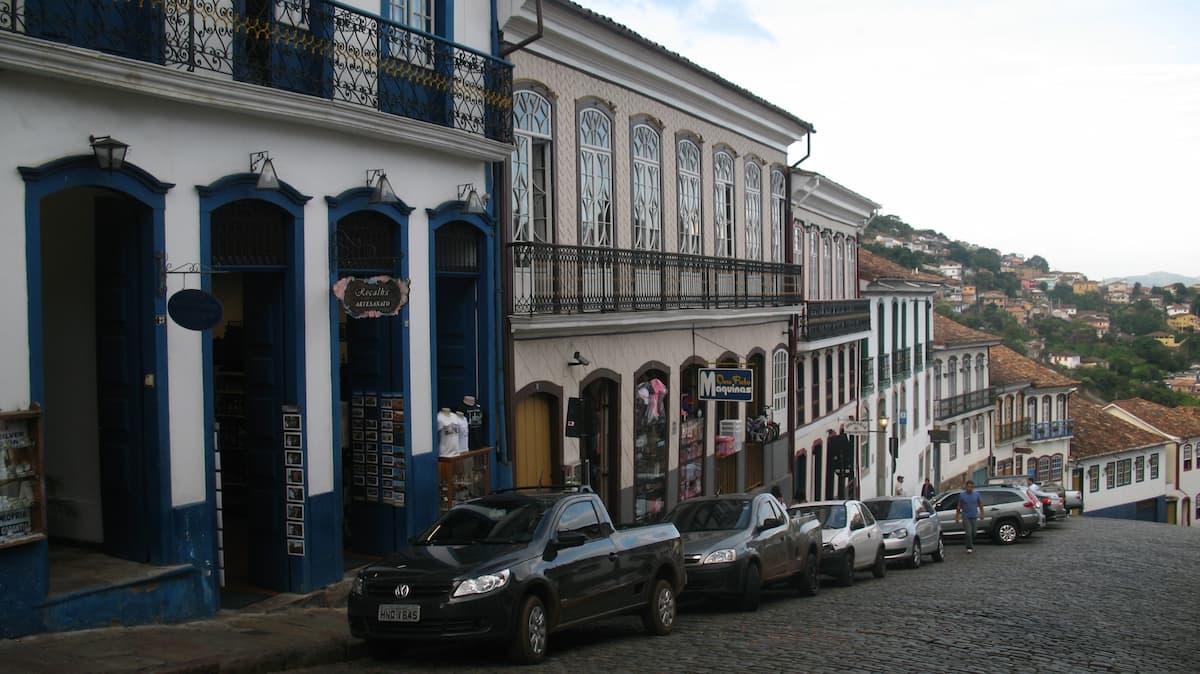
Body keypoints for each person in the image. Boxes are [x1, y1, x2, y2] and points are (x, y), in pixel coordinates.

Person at [955, 480, 985, 553]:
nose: (970, 488)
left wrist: (982, 514)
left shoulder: (976, 494)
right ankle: (969, 547)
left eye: (971, 487)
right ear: (966, 487)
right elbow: (959, 506)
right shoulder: (962, 495)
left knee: (974, 532)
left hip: (974, 515)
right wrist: (957, 516)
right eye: (968, 487)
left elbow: (980, 504)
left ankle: (969, 542)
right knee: (968, 532)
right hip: (965, 516)